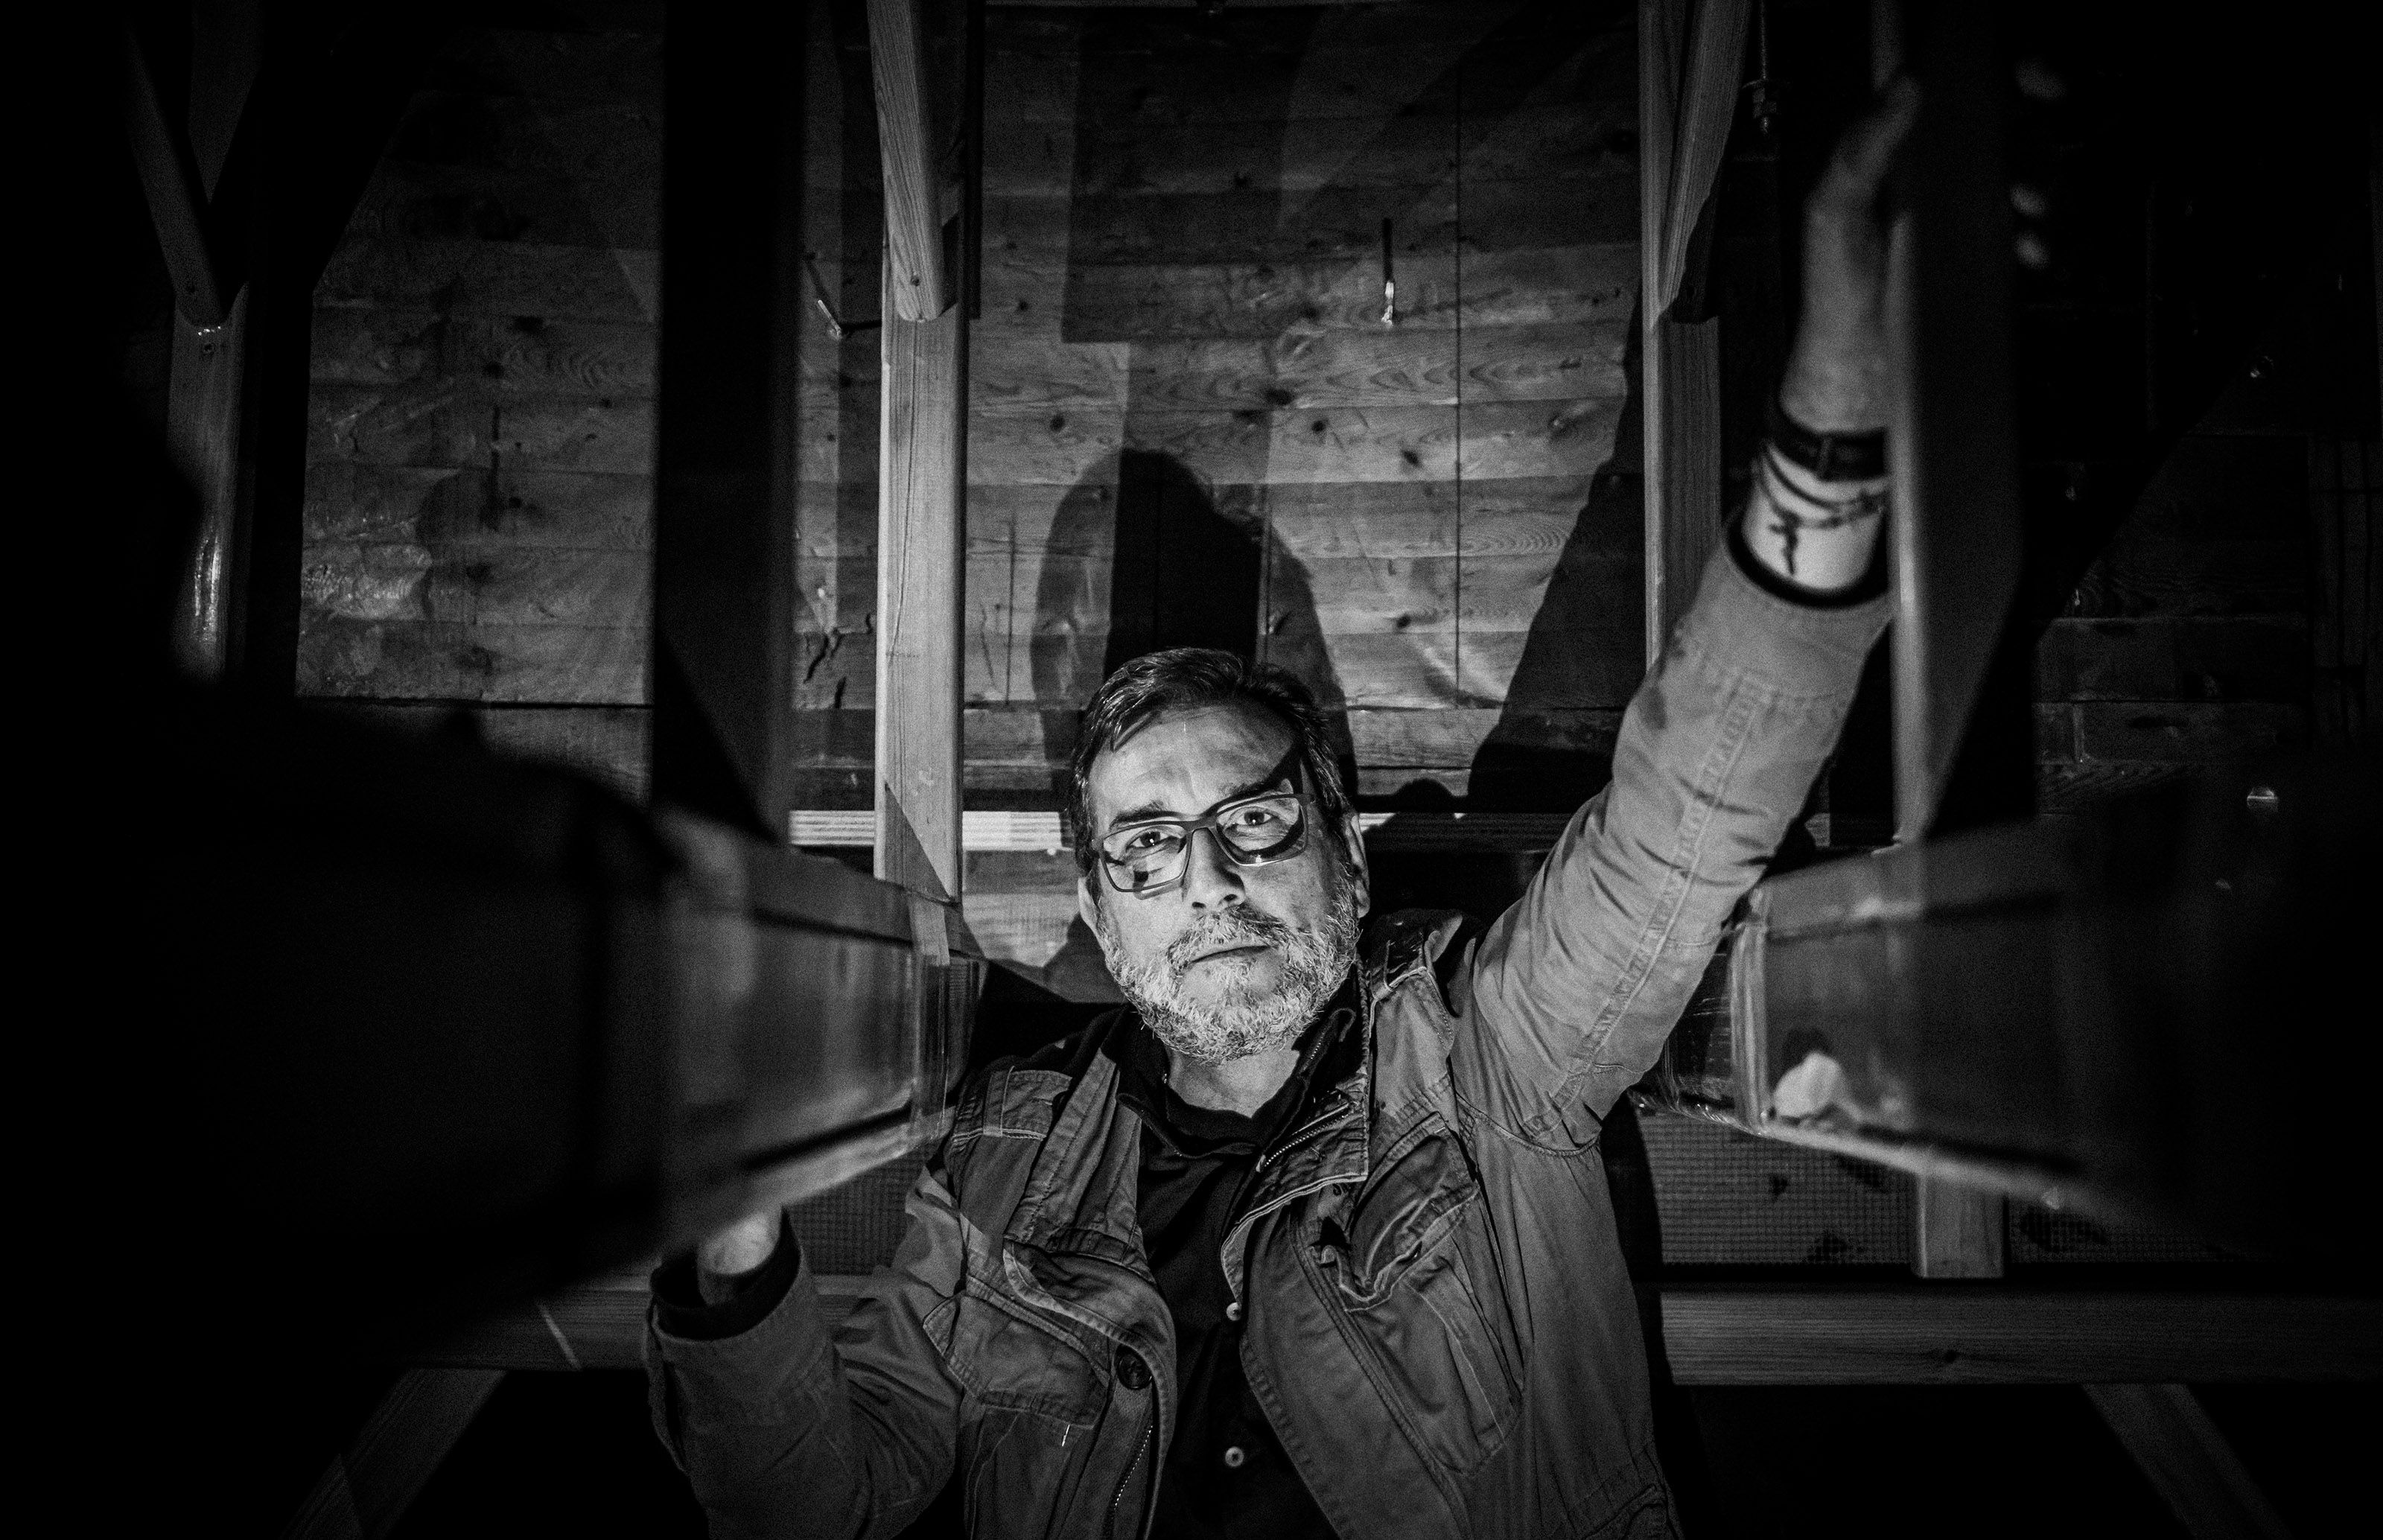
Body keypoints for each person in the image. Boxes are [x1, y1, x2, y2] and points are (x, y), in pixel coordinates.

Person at [644, 82, 1921, 1540]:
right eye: (1146, 847)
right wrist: (731, 1231)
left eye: (1251, 821)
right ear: (1095, 900)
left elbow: (1690, 808)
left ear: (1343, 851)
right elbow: (818, 1505)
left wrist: (1833, 423)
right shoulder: (999, 1161)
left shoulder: (1490, 1061)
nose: (1208, 882)